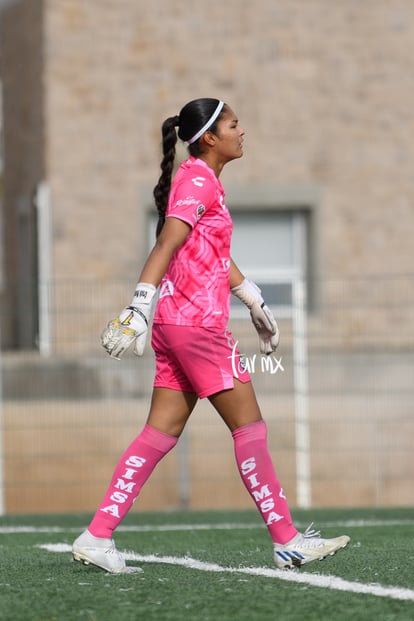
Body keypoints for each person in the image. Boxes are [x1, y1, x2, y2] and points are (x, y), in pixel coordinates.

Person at [72, 98, 350, 574]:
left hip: (176, 326)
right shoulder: (199, 179)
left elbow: (208, 250)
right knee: (250, 427)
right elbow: (168, 242)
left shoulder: (200, 180)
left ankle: (97, 534)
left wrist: (251, 297)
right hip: (197, 327)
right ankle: (286, 540)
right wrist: (138, 304)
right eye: (234, 124)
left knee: (160, 432)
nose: (243, 132)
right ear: (210, 138)